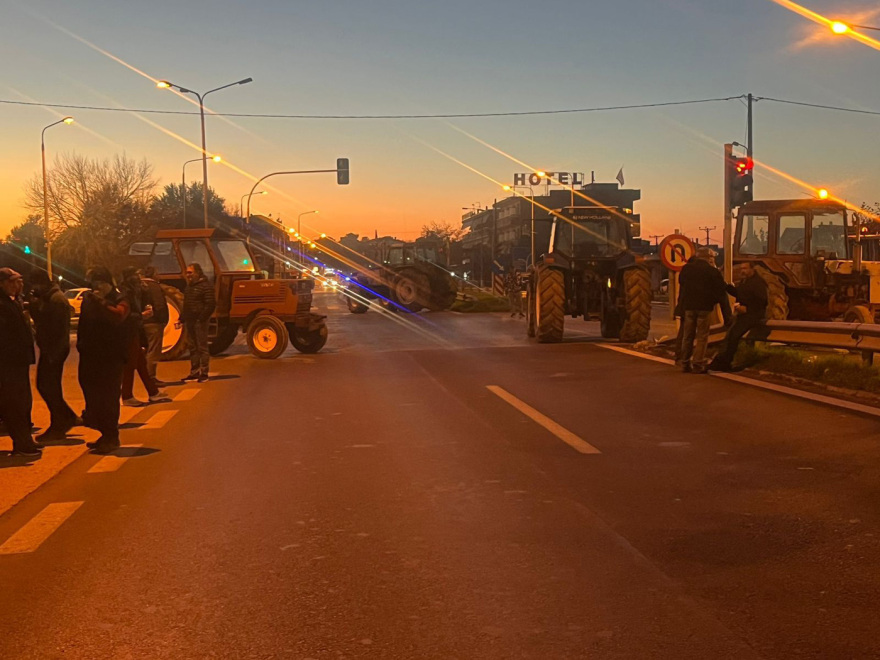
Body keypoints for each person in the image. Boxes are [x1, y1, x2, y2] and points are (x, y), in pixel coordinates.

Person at [77, 267, 129, 454]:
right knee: (92, 396)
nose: (97, 287)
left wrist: (101, 302)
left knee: (108, 398)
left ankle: (111, 436)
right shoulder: (89, 299)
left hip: (111, 357)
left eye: (101, 283)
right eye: (94, 284)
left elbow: (119, 316)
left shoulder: (120, 298)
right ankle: (103, 432)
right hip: (90, 356)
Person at [28, 269, 79, 441]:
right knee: (47, 386)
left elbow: (54, 328)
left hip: (54, 350)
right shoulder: (49, 297)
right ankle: (66, 417)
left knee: (48, 386)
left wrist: (52, 351)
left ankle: (60, 423)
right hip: (51, 349)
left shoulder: (55, 300)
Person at [0, 268, 42, 457]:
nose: (17, 285)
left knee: (21, 402)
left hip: (18, 361)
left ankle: (24, 441)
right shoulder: (2, 304)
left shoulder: (12, 301)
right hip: (9, 362)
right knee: (15, 404)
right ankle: (22, 443)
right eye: (12, 282)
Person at [119, 267, 169, 406]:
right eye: (135, 275)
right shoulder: (125, 293)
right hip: (128, 332)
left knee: (141, 363)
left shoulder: (135, 290)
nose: (138, 277)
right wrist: (142, 315)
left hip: (135, 330)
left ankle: (153, 392)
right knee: (130, 365)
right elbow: (126, 315)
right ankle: (127, 396)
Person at [709, 262, 768, 372]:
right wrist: (726, 286)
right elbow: (739, 293)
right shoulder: (745, 281)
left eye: (745, 268)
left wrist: (747, 308)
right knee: (731, 336)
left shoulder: (758, 283)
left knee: (733, 336)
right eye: (741, 269)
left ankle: (723, 362)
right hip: (744, 315)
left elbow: (762, 301)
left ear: (752, 269)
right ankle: (721, 362)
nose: (742, 271)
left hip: (752, 315)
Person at [678, 247, 726, 373]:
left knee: (687, 336)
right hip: (704, 308)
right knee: (702, 336)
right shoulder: (712, 271)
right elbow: (720, 291)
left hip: (689, 307)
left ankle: (684, 363)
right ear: (709, 258)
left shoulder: (686, 269)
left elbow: (682, 284)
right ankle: (697, 363)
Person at [182, 262, 215, 382]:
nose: (188, 275)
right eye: (187, 273)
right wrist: (182, 317)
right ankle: (194, 372)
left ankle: (204, 373)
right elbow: (186, 304)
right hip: (190, 321)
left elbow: (210, 304)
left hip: (200, 322)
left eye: (190, 272)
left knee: (202, 347)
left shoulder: (206, 286)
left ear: (197, 272)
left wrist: (202, 318)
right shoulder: (189, 287)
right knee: (192, 347)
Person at [140, 266, 169, 385]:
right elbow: (159, 304)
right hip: (154, 322)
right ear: (154, 274)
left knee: (147, 350)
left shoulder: (140, 286)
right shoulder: (154, 286)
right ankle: (150, 378)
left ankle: (147, 377)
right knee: (154, 351)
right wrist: (163, 320)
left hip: (143, 322)